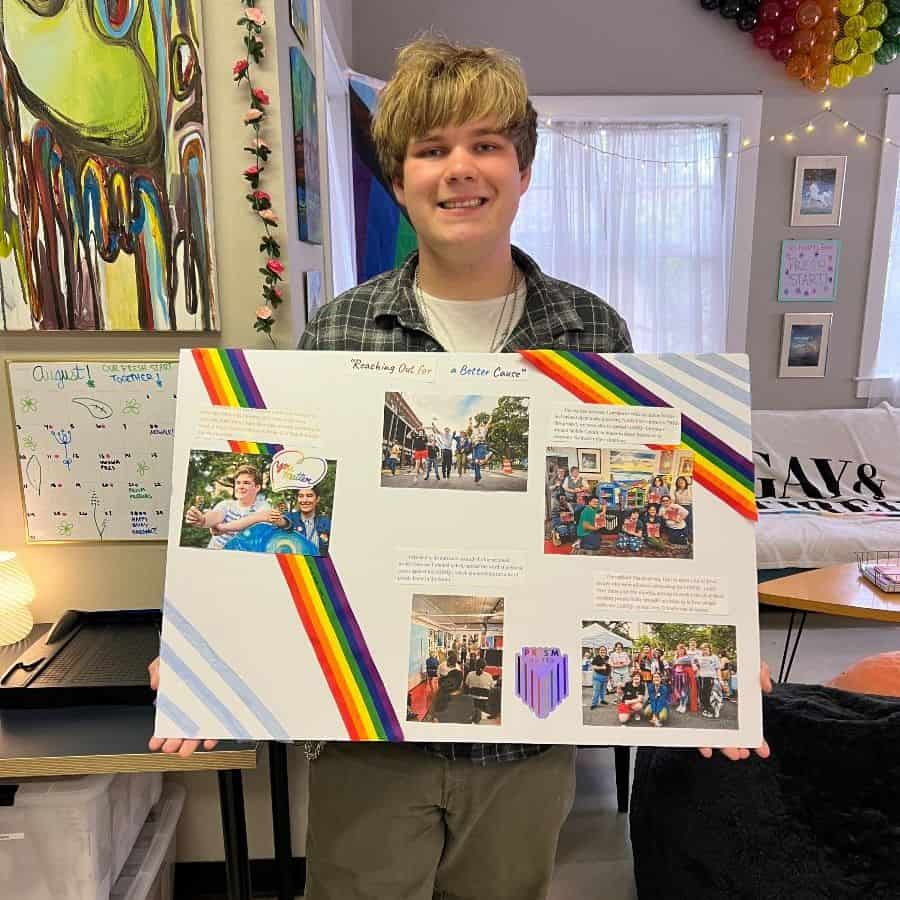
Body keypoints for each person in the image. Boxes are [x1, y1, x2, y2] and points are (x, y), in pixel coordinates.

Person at [149, 36, 770, 899]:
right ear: (398, 179)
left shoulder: (592, 332)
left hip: (527, 737)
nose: (459, 170)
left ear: (523, 171)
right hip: (368, 733)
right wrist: (209, 638)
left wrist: (720, 630)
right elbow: (293, 511)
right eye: (431, 150)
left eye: (485, 145)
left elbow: (633, 524)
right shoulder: (341, 328)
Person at [469, 414, 493, 483]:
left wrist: (490, 418)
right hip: (474, 447)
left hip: (480, 446)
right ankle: (477, 476)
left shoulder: (484, 430)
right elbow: (471, 427)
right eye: (480, 424)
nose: (481, 425)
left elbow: (488, 423)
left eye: (482, 424)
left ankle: (488, 454)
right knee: (476, 462)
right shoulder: (475, 430)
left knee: (478, 461)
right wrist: (470, 421)